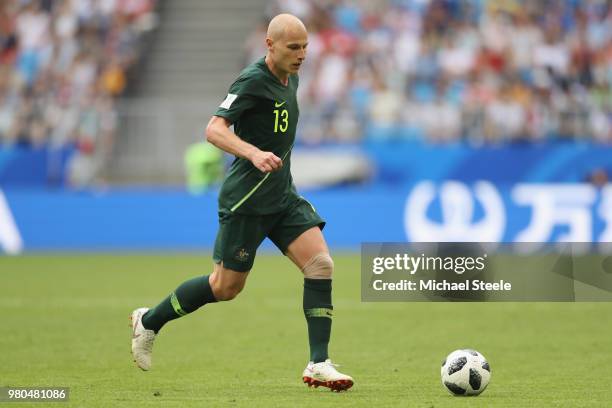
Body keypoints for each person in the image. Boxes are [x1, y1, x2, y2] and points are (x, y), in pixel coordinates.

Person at [130, 13, 354, 392]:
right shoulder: (252, 80)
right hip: (247, 199)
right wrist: (252, 153)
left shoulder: (291, 76)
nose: (301, 55)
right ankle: (150, 320)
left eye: (305, 47)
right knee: (225, 287)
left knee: (320, 264)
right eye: (293, 47)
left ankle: (319, 362)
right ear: (270, 46)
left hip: (281, 195)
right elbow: (214, 129)